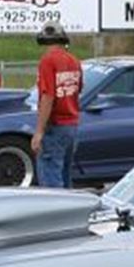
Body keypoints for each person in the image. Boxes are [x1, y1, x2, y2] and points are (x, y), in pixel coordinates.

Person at [32, 22, 83, 188]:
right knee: (65, 176)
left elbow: (48, 96)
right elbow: (78, 89)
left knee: (51, 181)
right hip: (72, 126)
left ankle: (55, 212)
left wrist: (39, 132)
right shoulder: (74, 61)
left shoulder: (48, 61)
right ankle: (68, 211)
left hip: (55, 127)